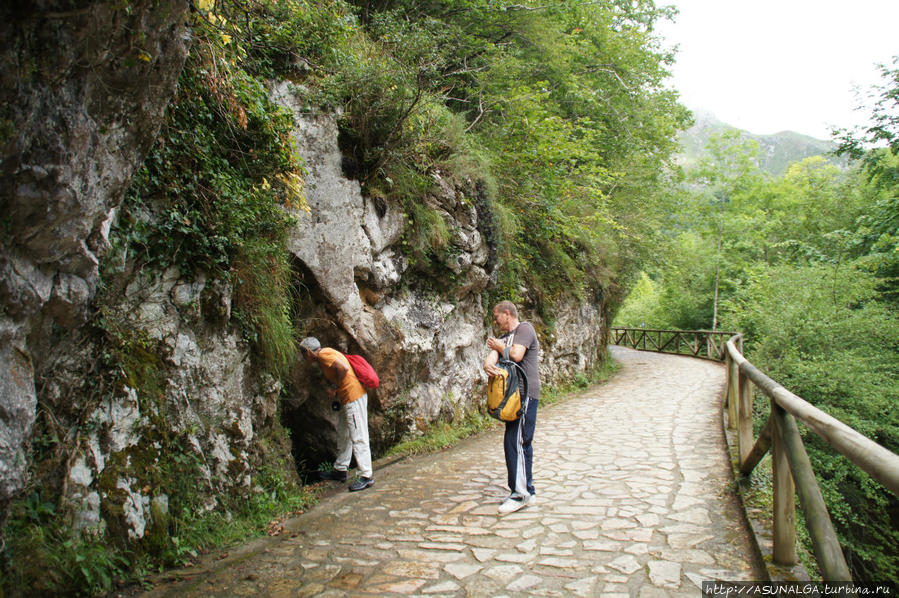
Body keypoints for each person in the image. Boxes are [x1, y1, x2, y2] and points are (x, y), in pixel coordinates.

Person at [483, 300, 540, 514]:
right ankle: (527, 490)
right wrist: (490, 360)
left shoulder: (525, 329)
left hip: (525, 395)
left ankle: (520, 494)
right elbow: (492, 356)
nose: (495, 321)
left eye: (497, 317)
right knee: (518, 442)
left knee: (517, 442)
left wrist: (499, 347)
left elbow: (516, 354)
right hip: (513, 398)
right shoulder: (505, 338)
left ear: (507, 314)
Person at [300, 336, 374, 492]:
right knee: (344, 433)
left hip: (354, 397)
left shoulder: (323, 355)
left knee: (358, 434)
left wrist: (334, 387)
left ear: (308, 351)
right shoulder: (326, 354)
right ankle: (340, 470)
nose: (303, 357)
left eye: (303, 353)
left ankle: (366, 475)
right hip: (348, 399)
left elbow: (342, 368)